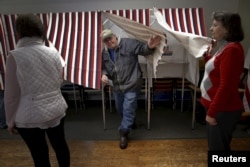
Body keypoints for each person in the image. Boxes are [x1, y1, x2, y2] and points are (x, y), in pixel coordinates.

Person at [4, 14, 70, 167]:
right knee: (61, 147)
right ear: (40, 31)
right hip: (56, 109)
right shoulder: (53, 52)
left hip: (29, 116)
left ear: (18, 33)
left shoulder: (14, 56)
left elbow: (11, 95)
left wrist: (10, 121)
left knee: (39, 155)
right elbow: (60, 81)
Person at [100, 29, 161, 149]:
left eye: (110, 38)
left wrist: (149, 46)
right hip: (117, 86)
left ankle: (123, 133)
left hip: (132, 83)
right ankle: (130, 122)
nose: (109, 41)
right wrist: (104, 74)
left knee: (128, 107)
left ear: (115, 36)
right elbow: (103, 67)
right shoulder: (105, 53)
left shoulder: (128, 43)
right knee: (120, 108)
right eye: (106, 40)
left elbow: (143, 49)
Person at [200, 11, 245, 151]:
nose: (211, 29)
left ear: (228, 28)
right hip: (218, 107)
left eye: (215, 25)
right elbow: (217, 73)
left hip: (223, 109)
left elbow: (226, 86)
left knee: (218, 150)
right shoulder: (225, 47)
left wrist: (212, 112)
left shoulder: (232, 50)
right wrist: (208, 57)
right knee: (217, 148)